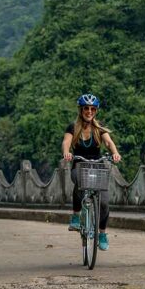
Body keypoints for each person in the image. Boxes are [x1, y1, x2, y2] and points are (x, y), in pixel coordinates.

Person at [61, 93, 121, 251]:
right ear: (81, 110)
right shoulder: (72, 127)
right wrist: (67, 152)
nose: (89, 111)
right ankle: (76, 215)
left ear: (96, 111)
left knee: (104, 202)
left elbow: (109, 142)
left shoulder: (98, 128)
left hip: (97, 166)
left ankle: (102, 233)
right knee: (79, 182)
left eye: (92, 109)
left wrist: (115, 153)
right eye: (86, 108)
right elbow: (66, 142)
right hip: (79, 165)